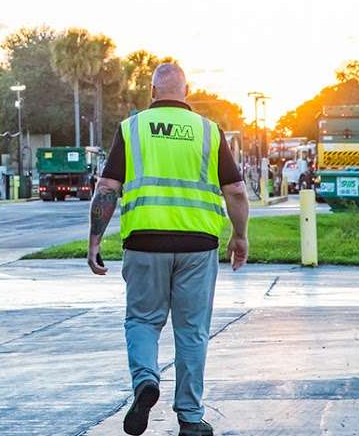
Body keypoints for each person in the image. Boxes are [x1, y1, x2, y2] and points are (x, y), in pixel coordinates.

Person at [86, 63, 249, 436]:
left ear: (153, 91)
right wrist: (239, 236)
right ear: (186, 91)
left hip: (144, 244)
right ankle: (190, 417)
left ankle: (146, 379)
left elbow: (107, 187)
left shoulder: (133, 128)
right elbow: (236, 191)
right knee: (192, 332)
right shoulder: (209, 131)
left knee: (143, 321)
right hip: (198, 246)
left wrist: (95, 239)